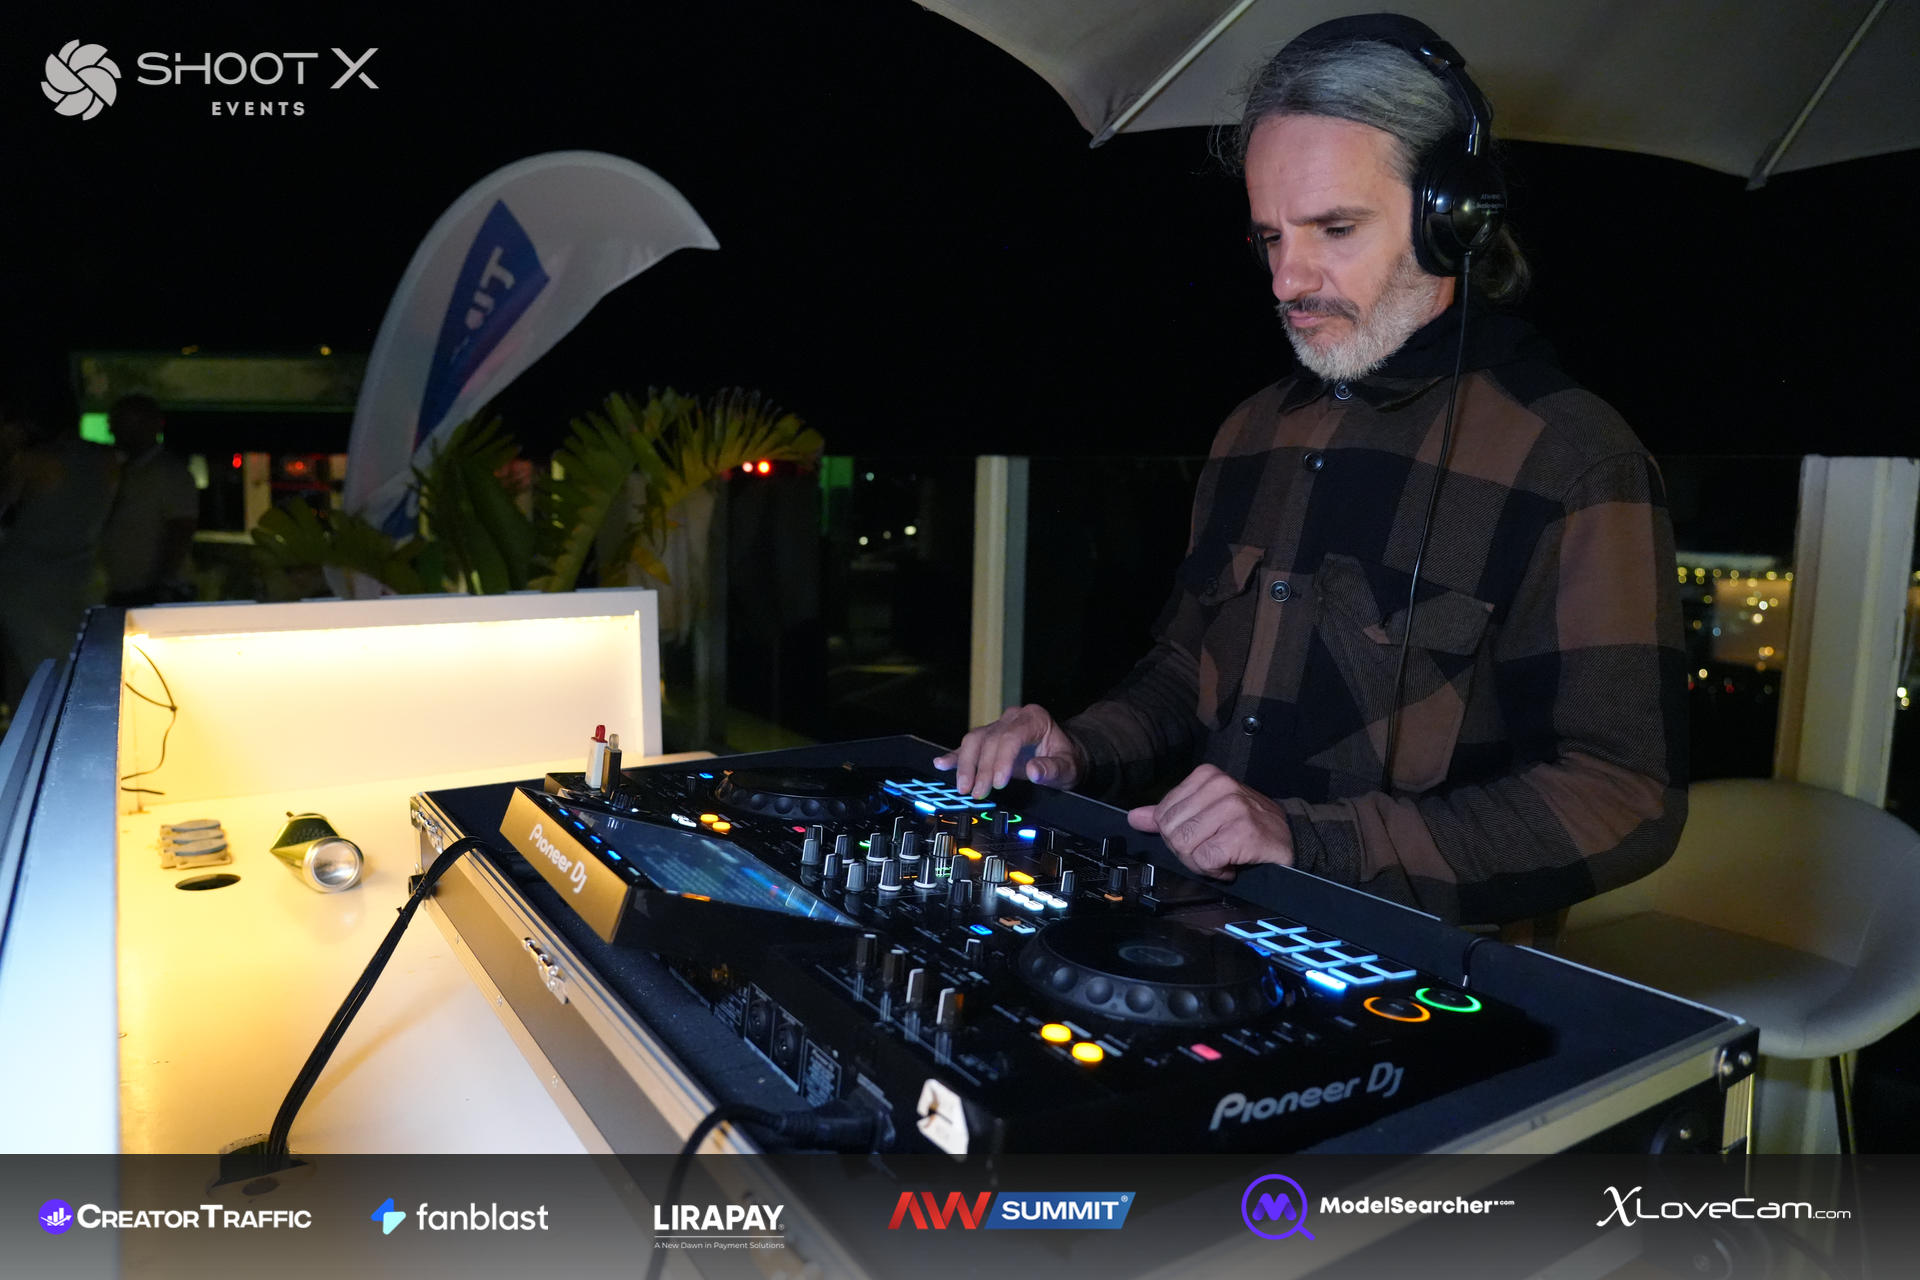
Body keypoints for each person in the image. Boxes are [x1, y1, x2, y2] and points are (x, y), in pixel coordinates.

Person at [935, 14, 1686, 928]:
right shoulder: (1253, 429)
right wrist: (1077, 748)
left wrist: (1312, 841)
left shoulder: (1575, 454)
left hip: (1420, 974)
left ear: (1449, 220)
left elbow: (1623, 795)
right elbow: (1186, 671)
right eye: (1270, 238)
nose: (1288, 280)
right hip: (1210, 930)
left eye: (1334, 228)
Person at [0, 377, 119, 705]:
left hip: (27, 582)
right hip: (83, 575)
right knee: (76, 668)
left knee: (31, 679)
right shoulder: (107, 460)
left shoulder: (31, 462)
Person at [101, 394, 200, 607]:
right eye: (114, 423)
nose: (113, 431)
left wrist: (164, 582)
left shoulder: (170, 473)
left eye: (123, 423)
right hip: (126, 589)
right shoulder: (123, 471)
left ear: (150, 425)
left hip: (153, 592)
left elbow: (181, 528)